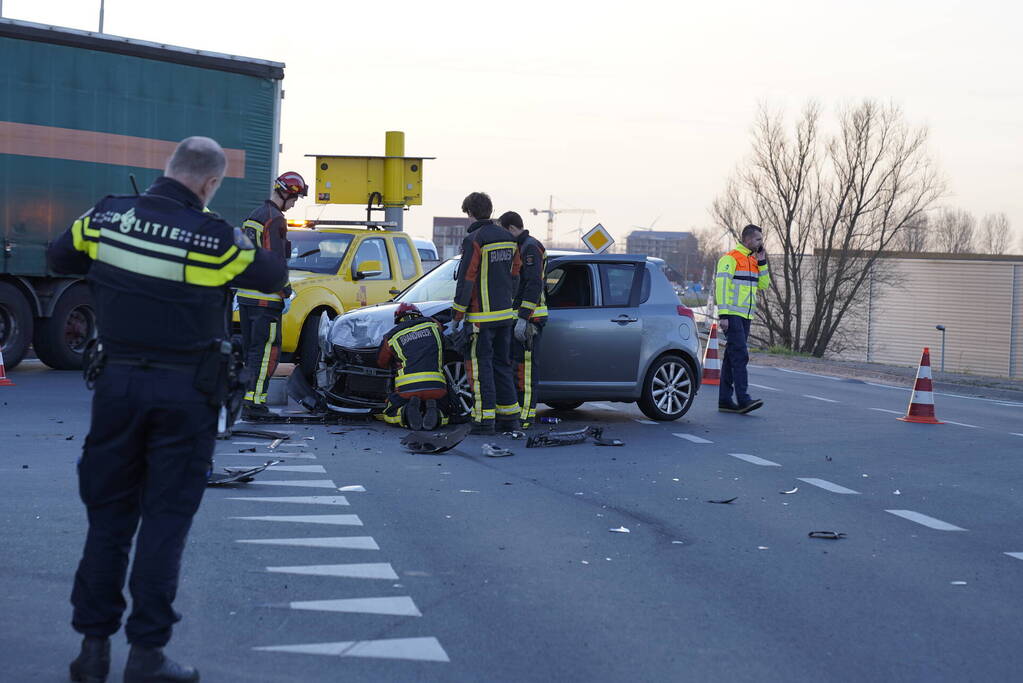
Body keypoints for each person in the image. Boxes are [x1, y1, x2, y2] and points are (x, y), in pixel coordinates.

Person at [48, 137, 288, 682]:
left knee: (108, 520)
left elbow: (60, 254)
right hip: (184, 397)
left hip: (116, 389)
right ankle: (147, 656)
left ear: (168, 169)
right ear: (208, 184)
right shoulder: (214, 239)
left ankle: (91, 651)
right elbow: (270, 274)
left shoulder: (107, 217)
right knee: (163, 524)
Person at [236, 171, 307, 420]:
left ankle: (247, 400)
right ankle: (254, 404)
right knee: (267, 352)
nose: (294, 205)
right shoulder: (275, 220)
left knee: (252, 352)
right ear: (287, 194)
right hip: (266, 299)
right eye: (295, 199)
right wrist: (286, 291)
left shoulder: (253, 217)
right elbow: (275, 261)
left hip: (246, 298)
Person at [450, 192, 521, 435]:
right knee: (503, 365)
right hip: (504, 316)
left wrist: (456, 317)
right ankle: (509, 418)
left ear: (470, 213)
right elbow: (515, 275)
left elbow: (467, 279)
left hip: (480, 318)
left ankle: (483, 420)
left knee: (480, 370)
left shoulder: (475, 239)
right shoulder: (508, 238)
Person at [498, 211, 547, 429]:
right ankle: (519, 413)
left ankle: (525, 418)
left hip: (531, 319)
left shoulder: (530, 248)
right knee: (518, 369)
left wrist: (523, 317)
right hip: (522, 317)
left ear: (510, 228)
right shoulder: (521, 246)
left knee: (526, 372)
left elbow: (534, 284)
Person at [715, 223, 770, 414]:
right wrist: (723, 314)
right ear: (746, 239)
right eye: (757, 239)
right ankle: (743, 399)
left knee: (731, 357)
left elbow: (763, 285)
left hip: (746, 315)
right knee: (740, 355)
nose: (760, 243)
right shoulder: (730, 259)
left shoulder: (754, 261)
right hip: (732, 314)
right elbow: (721, 286)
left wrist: (762, 262)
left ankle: (724, 400)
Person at [376, 303, 458, 430]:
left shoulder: (391, 337)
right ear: (418, 314)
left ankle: (405, 412)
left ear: (398, 319)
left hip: (407, 389)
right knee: (446, 411)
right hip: (437, 386)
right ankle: (437, 412)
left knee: (388, 413)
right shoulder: (433, 324)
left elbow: (382, 362)